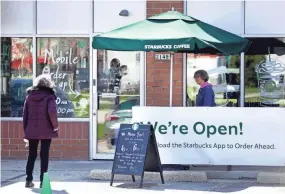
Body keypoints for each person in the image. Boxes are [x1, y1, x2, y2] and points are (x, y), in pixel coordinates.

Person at [23, 74, 59, 188]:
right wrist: (55, 126)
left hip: (32, 130)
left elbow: (25, 115)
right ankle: (43, 182)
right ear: (48, 84)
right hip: (46, 130)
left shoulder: (29, 96)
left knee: (31, 155)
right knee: (44, 155)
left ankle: (28, 180)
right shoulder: (50, 96)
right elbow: (52, 112)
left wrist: (26, 131)